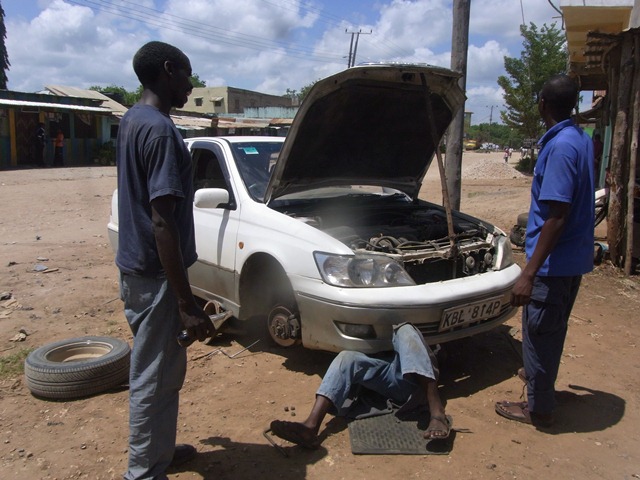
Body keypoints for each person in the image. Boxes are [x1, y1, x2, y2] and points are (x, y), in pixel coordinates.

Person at [116, 41, 215, 479]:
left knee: (163, 372)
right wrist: (185, 302)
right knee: (153, 379)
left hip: (139, 269)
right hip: (156, 276)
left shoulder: (133, 119)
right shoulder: (158, 129)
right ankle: (144, 473)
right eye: (188, 75)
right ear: (168, 70)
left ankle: (160, 452)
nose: (191, 86)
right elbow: (162, 222)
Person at [495, 74, 594, 428]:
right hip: (573, 260)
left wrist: (529, 272)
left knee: (538, 334)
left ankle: (538, 408)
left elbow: (556, 215)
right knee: (552, 330)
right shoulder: (579, 139)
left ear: (542, 105)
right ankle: (541, 383)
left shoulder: (560, 147)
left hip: (552, 266)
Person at [269, 323, 451, 449]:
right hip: (385, 369)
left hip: (415, 375)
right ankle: (311, 426)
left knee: (405, 329)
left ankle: (437, 412)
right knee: (347, 358)